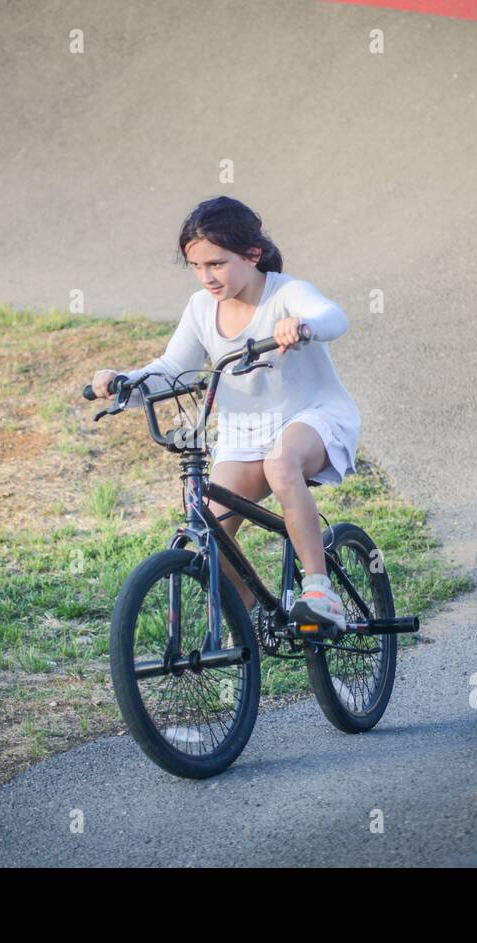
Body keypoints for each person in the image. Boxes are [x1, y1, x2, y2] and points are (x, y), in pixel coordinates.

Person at [91, 196, 361, 629]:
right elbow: (172, 370)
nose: (206, 277)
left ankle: (319, 589)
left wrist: (303, 326)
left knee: (282, 462)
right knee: (209, 534)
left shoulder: (285, 293)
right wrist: (128, 381)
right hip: (245, 434)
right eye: (196, 267)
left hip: (312, 417)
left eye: (216, 264)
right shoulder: (201, 308)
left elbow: (333, 316)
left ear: (252, 254)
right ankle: (253, 621)